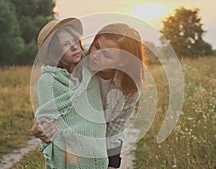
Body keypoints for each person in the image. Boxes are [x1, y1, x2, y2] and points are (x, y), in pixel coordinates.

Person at [32, 22, 145, 169]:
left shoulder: (130, 90)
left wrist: (111, 162)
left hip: (101, 143)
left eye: (106, 54)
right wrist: (40, 122)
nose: (95, 55)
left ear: (122, 61)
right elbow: (58, 97)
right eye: (96, 46)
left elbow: (114, 130)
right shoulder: (80, 62)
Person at [33, 17, 108, 169]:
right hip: (69, 154)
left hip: (96, 150)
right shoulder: (48, 80)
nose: (74, 47)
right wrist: (42, 126)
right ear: (55, 52)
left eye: (75, 41)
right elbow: (48, 115)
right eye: (66, 44)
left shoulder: (90, 72)